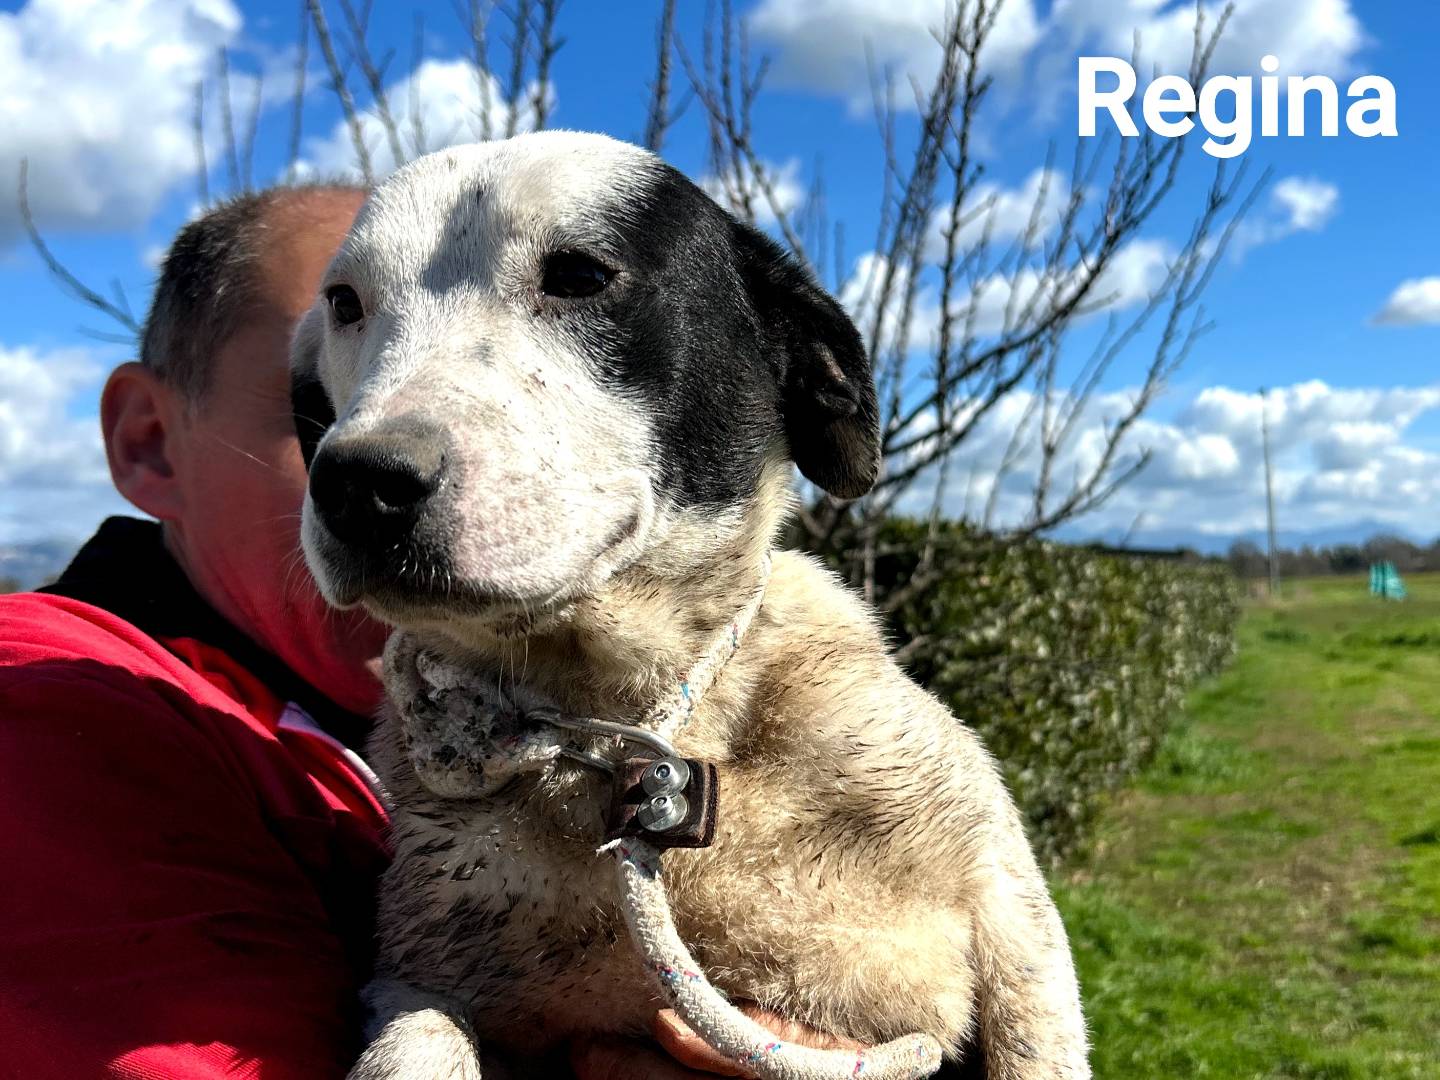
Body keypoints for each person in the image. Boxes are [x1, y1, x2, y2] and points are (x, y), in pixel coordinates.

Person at [0, 185, 868, 1079]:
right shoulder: (43, 705)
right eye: (329, 411)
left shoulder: (486, 717)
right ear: (147, 441)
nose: (394, 456)